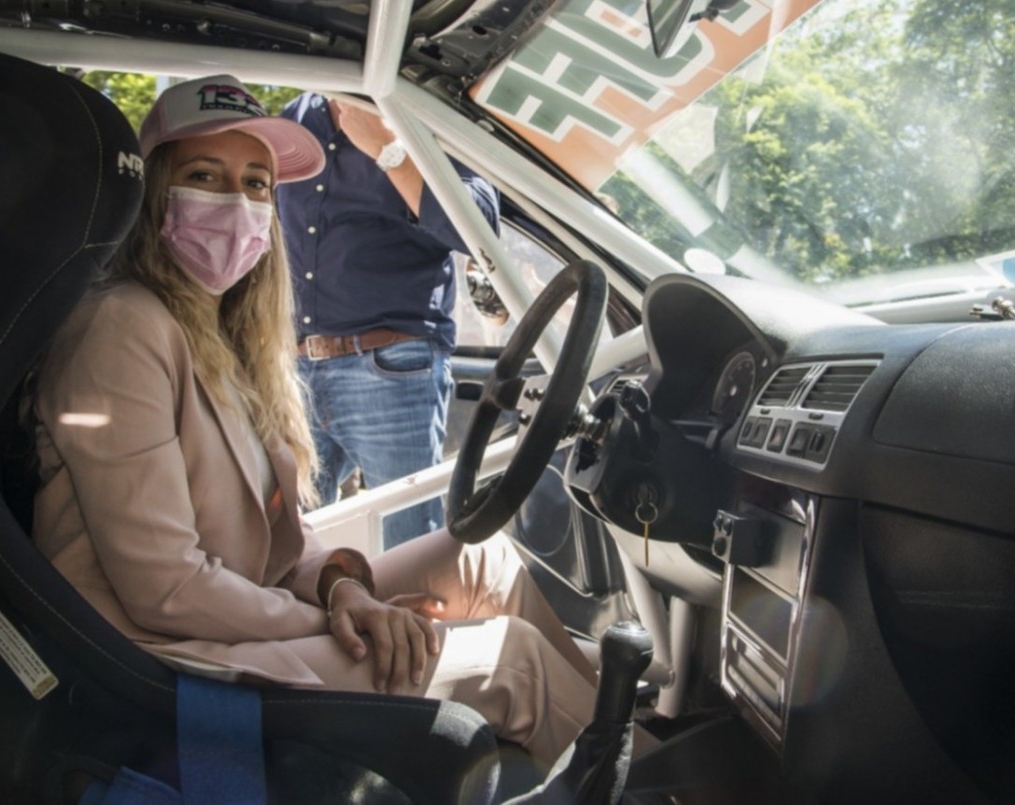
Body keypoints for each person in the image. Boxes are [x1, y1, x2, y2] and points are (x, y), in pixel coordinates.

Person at [31, 75, 605, 768]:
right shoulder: (123, 327)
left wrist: (342, 587)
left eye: (255, 184)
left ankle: (606, 741)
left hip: (245, 609)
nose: (235, 204)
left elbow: (281, 539)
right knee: (516, 661)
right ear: (154, 192)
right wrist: (342, 617)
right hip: (169, 664)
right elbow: (167, 590)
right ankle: (632, 776)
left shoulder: (224, 335)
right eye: (204, 176)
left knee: (482, 556)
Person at [277, 92, 500, 549]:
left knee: (409, 545)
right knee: (282, 542)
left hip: (392, 368)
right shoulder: (294, 118)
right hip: (293, 369)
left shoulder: (428, 111)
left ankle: (412, 622)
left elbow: (477, 232)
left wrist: (388, 150)